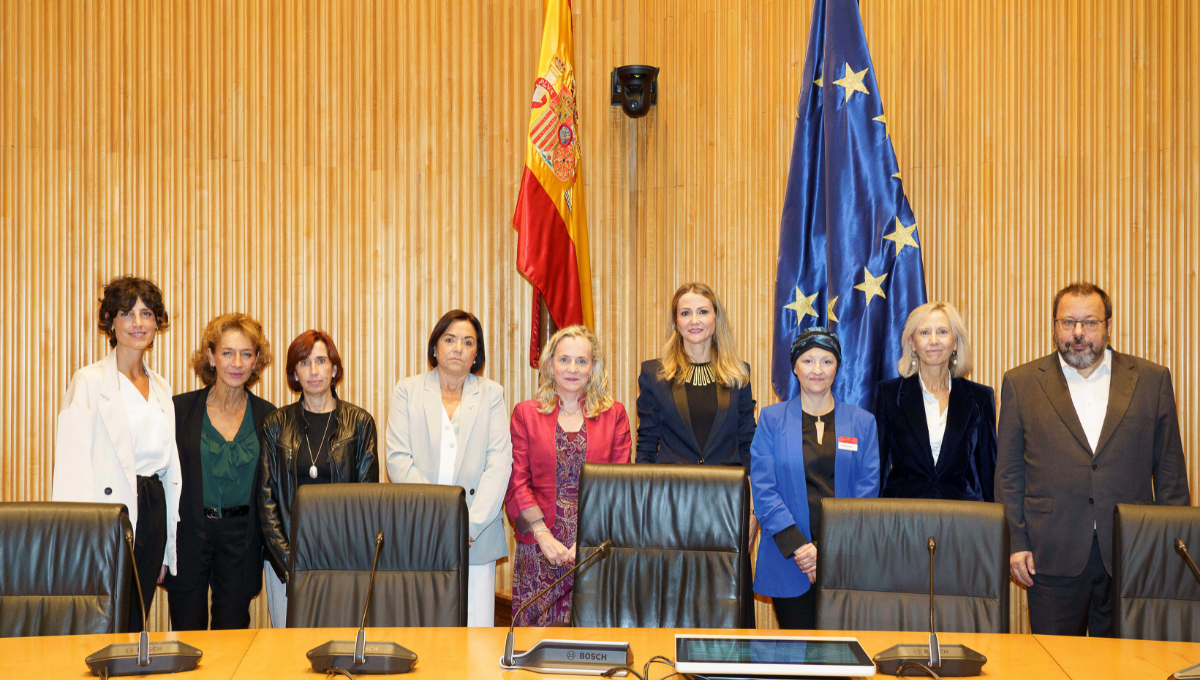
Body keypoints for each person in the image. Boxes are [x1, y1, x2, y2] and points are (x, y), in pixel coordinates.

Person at [996, 282, 1190, 637]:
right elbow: (1009, 474)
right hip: (1050, 553)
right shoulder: (1021, 383)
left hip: (1132, 553)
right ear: (1054, 326)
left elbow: (1170, 474)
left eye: (1090, 323)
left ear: (1108, 326)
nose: (1078, 333)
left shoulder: (1152, 380)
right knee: (1052, 666)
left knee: (1126, 669)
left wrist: (1172, 548)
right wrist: (1016, 542)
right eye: (1068, 322)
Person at [52, 276, 183, 633]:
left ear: (158, 323)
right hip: (110, 513)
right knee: (105, 619)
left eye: (146, 313)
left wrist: (167, 547)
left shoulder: (161, 386)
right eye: (127, 313)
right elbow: (71, 470)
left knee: (136, 619)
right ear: (110, 321)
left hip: (153, 509)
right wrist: (78, 541)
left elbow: (169, 470)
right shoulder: (89, 381)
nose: (138, 323)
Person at [385, 310, 513, 627]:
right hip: (420, 527)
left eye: (468, 342)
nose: (458, 347)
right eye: (450, 339)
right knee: (420, 627)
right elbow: (398, 459)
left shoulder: (491, 394)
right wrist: (438, 518)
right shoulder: (408, 390)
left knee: (476, 632)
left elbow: (499, 463)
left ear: (476, 354)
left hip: (475, 536)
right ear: (435, 347)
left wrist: (466, 527)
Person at [750, 327, 880, 630]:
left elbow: (867, 492)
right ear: (795, 367)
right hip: (789, 559)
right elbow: (764, 488)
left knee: (844, 663)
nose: (817, 370)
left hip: (845, 558)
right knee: (797, 662)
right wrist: (802, 548)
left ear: (837, 367)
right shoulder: (771, 420)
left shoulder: (863, 423)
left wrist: (826, 548)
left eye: (827, 361)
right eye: (808, 361)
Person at [504, 325, 631, 626]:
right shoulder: (526, 413)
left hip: (595, 552)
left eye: (581, 361)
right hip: (539, 550)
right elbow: (517, 481)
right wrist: (543, 535)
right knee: (536, 657)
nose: (572, 368)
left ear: (593, 367)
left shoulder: (614, 415)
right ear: (550, 364)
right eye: (564, 360)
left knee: (593, 650)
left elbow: (620, 486)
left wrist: (588, 539)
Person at [258, 329, 379, 628]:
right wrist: (290, 561)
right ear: (294, 373)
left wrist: (345, 556)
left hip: (343, 559)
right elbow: (266, 498)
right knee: (289, 653)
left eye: (321, 361)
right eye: (304, 362)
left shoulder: (360, 423)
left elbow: (367, 498)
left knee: (339, 643)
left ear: (334, 369)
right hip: (286, 557)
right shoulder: (276, 424)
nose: (313, 371)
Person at [163, 314, 275, 630]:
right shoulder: (178, 411)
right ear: (211, 356)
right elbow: (159, 483)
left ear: (256, 360)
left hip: (243, 540)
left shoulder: (268, 417)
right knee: (187, 639)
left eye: (246, 353)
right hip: (189, 536)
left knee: (233, 640)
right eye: (227, 352)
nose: (236, 362)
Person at [874, 302, 996, 501]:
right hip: (904, 519)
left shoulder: (980, 398)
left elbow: (988, 472)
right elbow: (879, 467)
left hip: (963, 520)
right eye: (924, 333)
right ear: (912, 343)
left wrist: (992, 527)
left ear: (955, 342)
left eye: (942, 332)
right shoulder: (888, 394)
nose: (933, 340)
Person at [635, 282, 756, 467]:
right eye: (685, 313)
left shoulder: (739, 375)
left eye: (703, 312)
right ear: (676, 322)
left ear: (716, 318)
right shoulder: (654, 375)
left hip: (726, 490)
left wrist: (750, 488)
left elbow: (746, 441)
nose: (694, 320)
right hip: (671, 491)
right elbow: (647, 444)